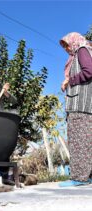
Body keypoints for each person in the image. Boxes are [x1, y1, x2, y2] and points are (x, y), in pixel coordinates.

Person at [58, 32, 92, 187]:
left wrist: (69, 81)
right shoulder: (81, 52)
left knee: (79, 141)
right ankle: (87, 176)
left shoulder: (82, 51)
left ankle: (79, 177)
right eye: (64, 47)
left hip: (80, 105)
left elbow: (89, 71)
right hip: (83, 105)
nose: (66, 49)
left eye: (66, 45)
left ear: (73, 41)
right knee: (85, 142)